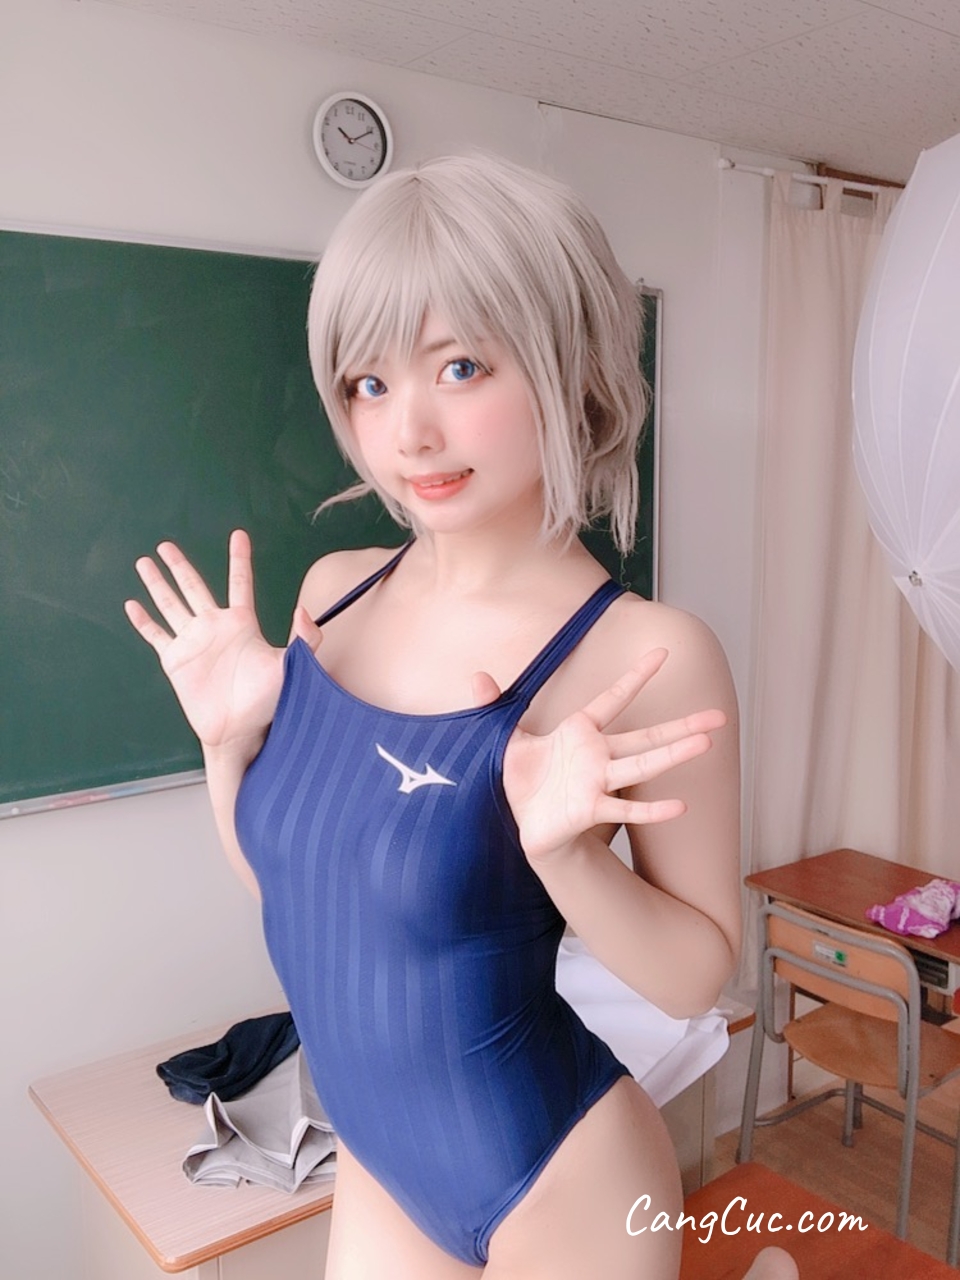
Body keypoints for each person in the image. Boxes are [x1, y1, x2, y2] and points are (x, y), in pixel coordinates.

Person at [125, 155, 795, 1280]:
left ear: (570, 366)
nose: (410, 434)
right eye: (370, 383)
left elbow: (696, 979)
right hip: (380, 1164)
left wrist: (565, 855)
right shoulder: (334, 594)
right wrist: (225, 745)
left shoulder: (646, 653)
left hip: (560, 1177)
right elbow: (293, 892)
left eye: (461, 366)